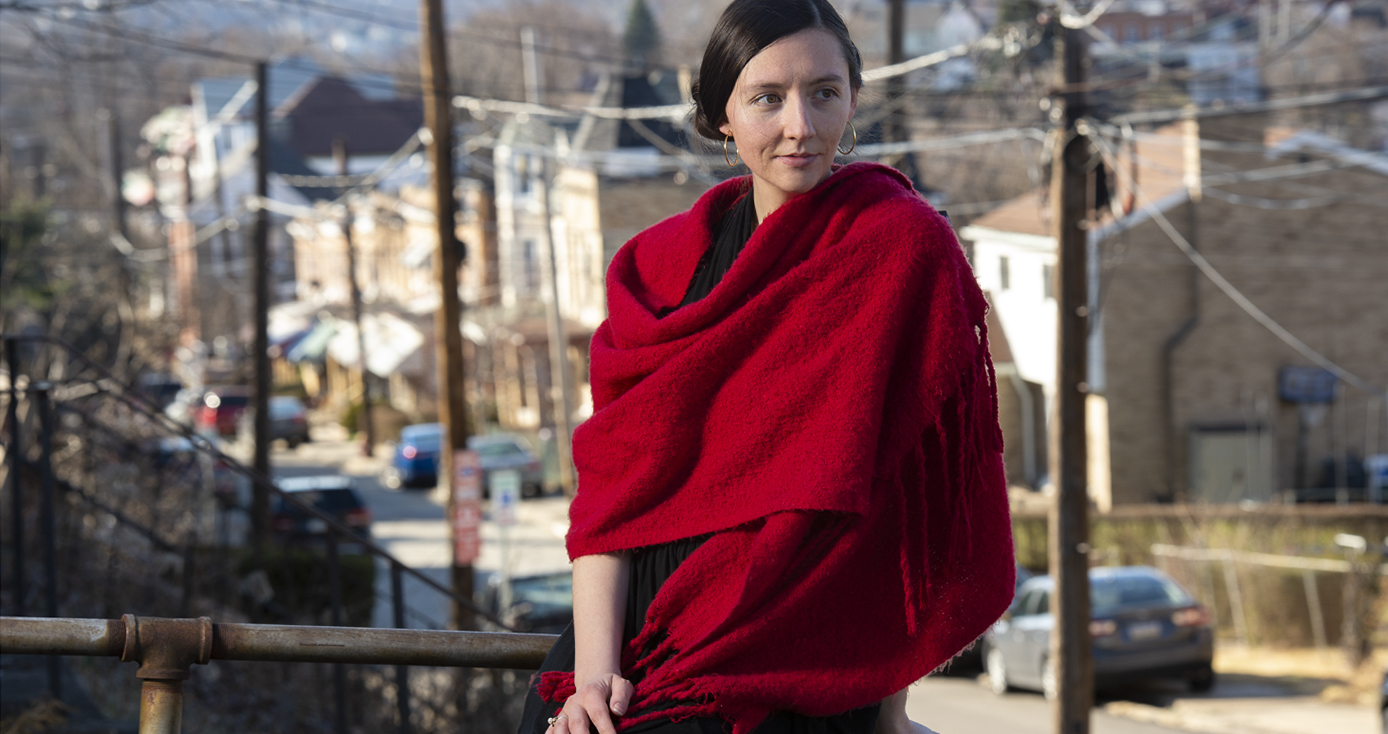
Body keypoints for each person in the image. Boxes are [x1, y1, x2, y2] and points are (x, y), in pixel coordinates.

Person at [518, 1, 1015, 732]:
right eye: (766, 99)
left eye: (824, 93)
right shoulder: (659, 273)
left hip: (796, 647)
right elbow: (613, 501)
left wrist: (890, 709)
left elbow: (909, 493)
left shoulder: (901, 247)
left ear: (853, 97)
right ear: (722, 114)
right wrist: (591, 680)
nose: (800, 127)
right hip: (636, 635)